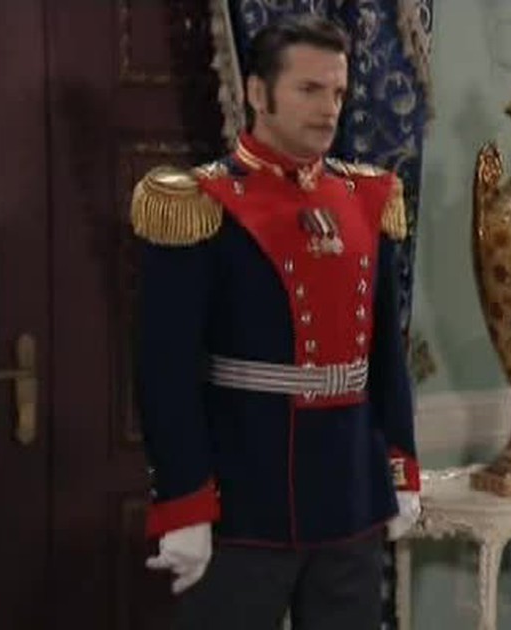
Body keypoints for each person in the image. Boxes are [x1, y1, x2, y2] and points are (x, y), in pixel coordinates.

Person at [129, 14, 420, 629]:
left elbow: (385, 357)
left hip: (351, 496)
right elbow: (165, 373)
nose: (329, 108)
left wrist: (400, 466)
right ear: (258, 94)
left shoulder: (367, 198)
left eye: (337, 92)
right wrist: (185, 500)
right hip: (244, 502)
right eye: (309, 89)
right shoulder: (201, 203)